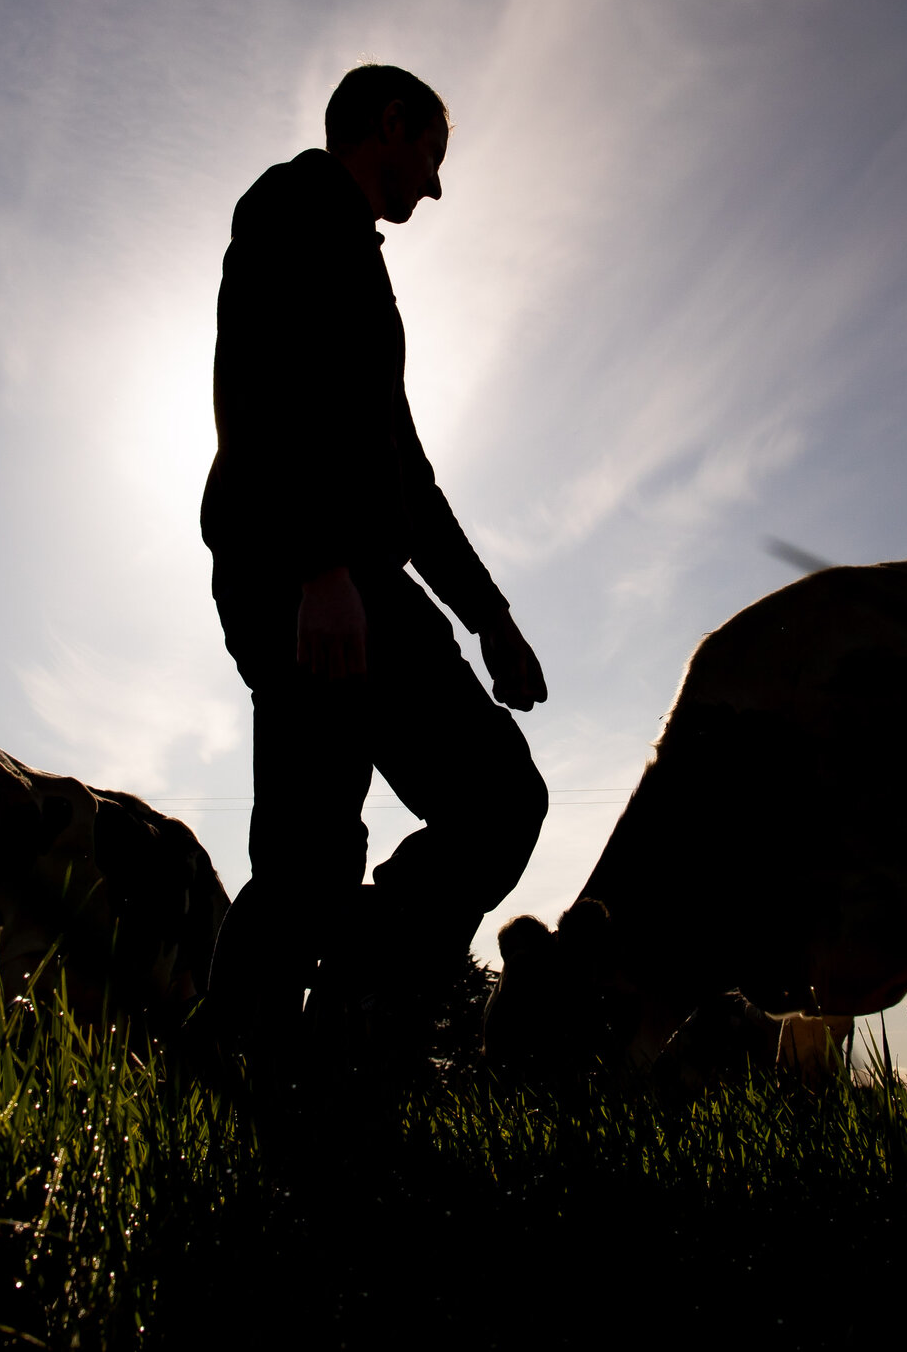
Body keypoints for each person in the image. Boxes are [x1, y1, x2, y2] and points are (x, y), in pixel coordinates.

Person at [200, 63, 548, 1063]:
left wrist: (488, 614)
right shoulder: (298, 202)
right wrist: (316, 568)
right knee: (330, 849)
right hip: (305, 577)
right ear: (388, 124)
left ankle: (337, 1008)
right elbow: (256, 378)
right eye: (430, 155)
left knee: (474, 806)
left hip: (355, 578)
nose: (434, 186)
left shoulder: (359, 258)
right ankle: (278, 1050)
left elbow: (407, 480)